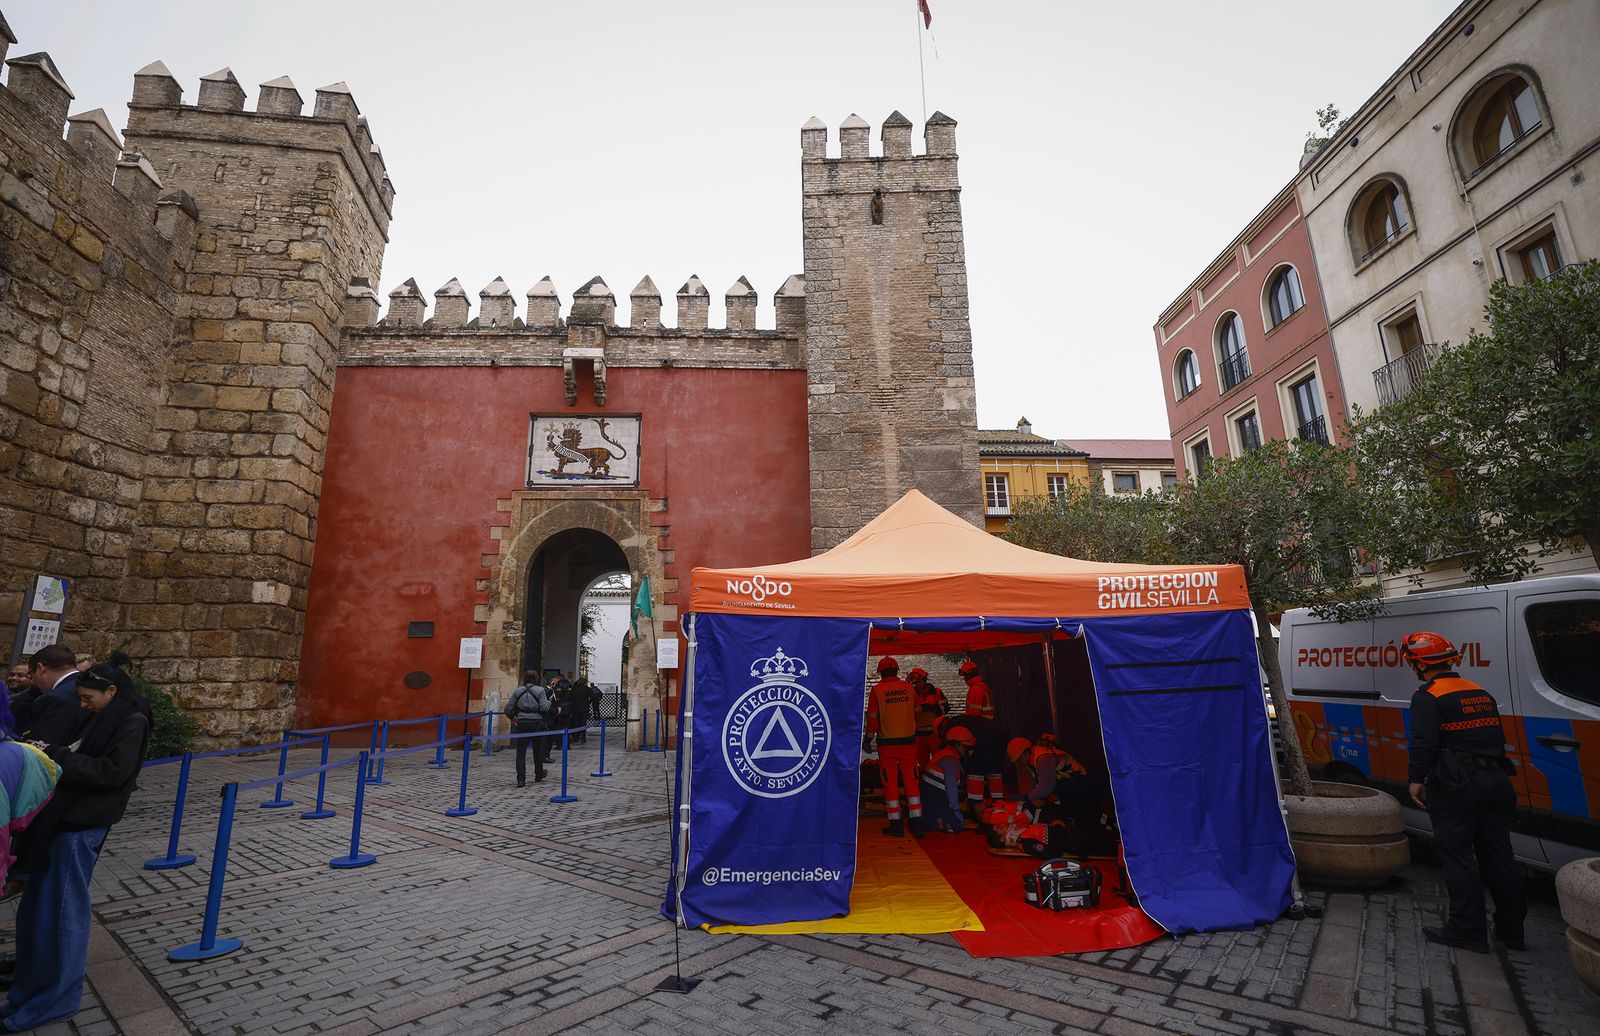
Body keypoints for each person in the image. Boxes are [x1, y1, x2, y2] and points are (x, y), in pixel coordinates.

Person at [5, 663, 150, 1031]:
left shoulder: (131, 721)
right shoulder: (102, 717)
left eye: (88, 698)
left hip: (80, 824)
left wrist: (58, 756)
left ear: (112, 691)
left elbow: (113, 773)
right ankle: (29, 992)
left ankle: (56, 1000)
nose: (83, 705)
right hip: (60, 823)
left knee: (61, 916)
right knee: (39, 913)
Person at [1402, 631, 1526, 953]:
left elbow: (1425, 743)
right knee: (1500, 856)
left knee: (1459, 857)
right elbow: (1495, 738)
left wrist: (1416, 779)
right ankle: (1512, 930)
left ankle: (1467, 929)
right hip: (1497, 782)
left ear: (1418, 663)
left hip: (1457, 784)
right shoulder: (1479, 691)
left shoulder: (1427, 695)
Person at [865, 657, 921, 838]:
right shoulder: (909, 688)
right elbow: (918, 713)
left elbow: (872, 719)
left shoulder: (877, 691)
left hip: (887, 745)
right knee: (912, 781)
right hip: (909, 743)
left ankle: (896, 824)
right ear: (897, 671)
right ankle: (917, 822)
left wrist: (867, 739)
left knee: (890, 783)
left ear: (881, 672)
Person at [939, 713, 1006, 824]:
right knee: (995, 775)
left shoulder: (952, 728)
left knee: (975, 775)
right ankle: (999, 807)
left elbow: (962, 750)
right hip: (1001, 734)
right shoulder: (964, 720)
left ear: (942, 730)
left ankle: (977, 811)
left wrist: (966, 770)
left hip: (986, 739)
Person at [16, 645, 83, 748]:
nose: (32, 681)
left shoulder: (54, 698)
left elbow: (41, 748)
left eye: (30, 674)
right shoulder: (87, 686)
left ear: (40, 668)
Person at [918, 727, 973, 833]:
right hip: (934, 799)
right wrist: (955, 810)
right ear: (957, 745)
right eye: (966, 747)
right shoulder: (950, 760)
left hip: (931, 797)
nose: (967, 751)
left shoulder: (946, 754)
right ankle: (932, 821)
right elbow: (951, 787)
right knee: (957, 825)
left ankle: (930, 818)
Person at [504, 671, 551, 787]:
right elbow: (544, 707)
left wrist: (512, 718)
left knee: (521, 751)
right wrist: (550, 702)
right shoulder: (540, 690)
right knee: (537, 749)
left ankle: (521, 778)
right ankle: (538, 773)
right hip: (536, 722)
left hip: (522, 722)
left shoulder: (518, 691)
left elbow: (508, 709)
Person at [908, 667, 948, 771]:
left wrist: (930, 708)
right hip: (919, 735)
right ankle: (923, 783)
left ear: (924, 680)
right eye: (915, 683)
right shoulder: (911, 693)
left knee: (938, 761)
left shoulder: (937, 692)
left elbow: (945, 709)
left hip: (934, 734)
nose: (917, 685)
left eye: (919, 682)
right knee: (922, 763)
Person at [570, 673, 593, 744]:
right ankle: (583, 737)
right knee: (583, 723)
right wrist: (588, 703)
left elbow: (571, 698)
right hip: (584, 708)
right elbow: (592, 697)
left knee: (576, 723)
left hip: (575, 708)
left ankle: (576, 737)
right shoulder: (588, 689)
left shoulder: (574, 689)